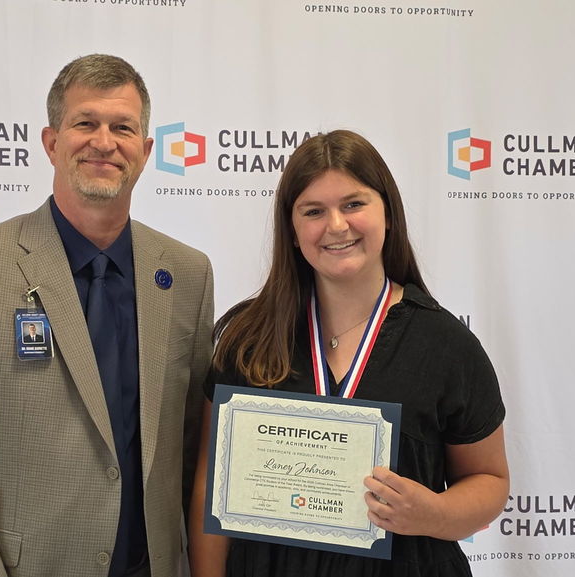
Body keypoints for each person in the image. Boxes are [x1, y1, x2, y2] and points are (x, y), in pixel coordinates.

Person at [0, 54, 214, 577]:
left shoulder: (187, 275)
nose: (104, 142)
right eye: (85, 123)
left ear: (146, 150)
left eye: (123, 128)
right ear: (51, 142)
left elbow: (189, 455)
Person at [188, 130, 508, 576]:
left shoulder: (447, 345)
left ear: (388, 213)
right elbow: (211, 487)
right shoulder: (248, 338)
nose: (336, 226)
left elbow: (490, 481)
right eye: (314, 211)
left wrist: (432, 513)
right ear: (294, 231)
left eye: (353, 204)